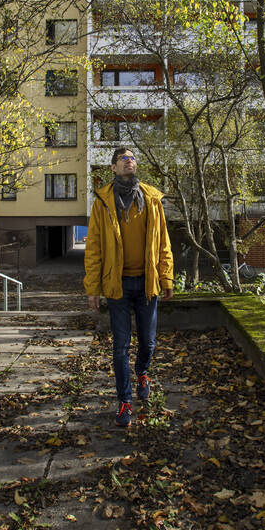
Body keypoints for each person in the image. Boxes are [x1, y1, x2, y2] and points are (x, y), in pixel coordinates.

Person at [84, 147, 174, 427]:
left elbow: (163, 242)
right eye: (123, 158)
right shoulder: (103, 201)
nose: (129, 161)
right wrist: (93, 287)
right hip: (117, 285)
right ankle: (124, 401)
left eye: (133, 157)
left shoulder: (152, 198)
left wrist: (166, 276)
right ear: (113, 168)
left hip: (147, 283)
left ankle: (143, 373)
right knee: (120, 346)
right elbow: (94, 246)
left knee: (148, 341)